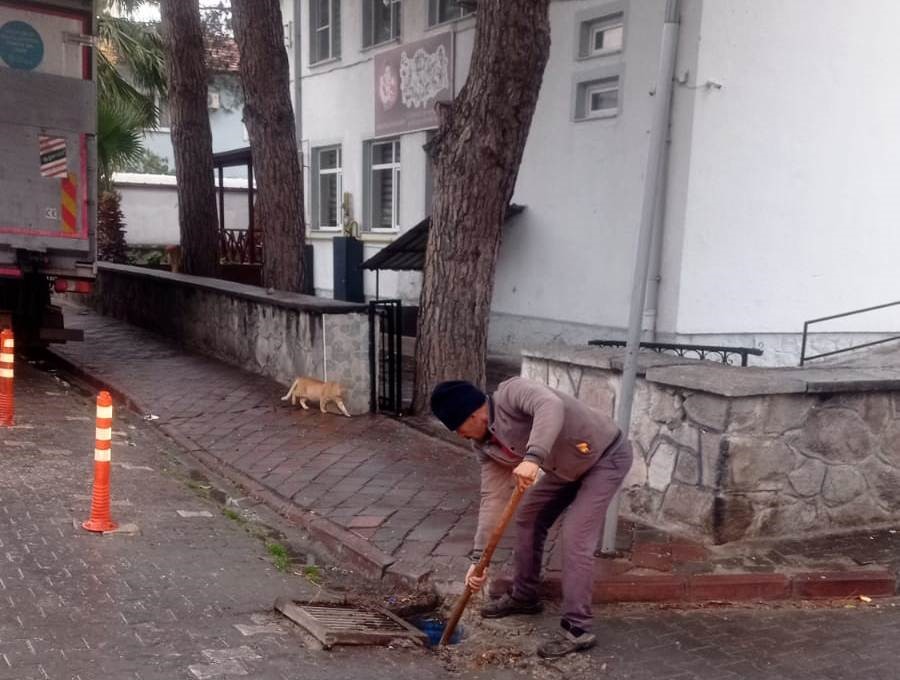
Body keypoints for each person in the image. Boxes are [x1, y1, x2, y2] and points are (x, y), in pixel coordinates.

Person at [430, 377, 632, 659]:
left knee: (575, 536)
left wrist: (533, 458)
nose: (459, 435)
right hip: (564, 470)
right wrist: (478, 561)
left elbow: (550, 405)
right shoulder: (485, 447)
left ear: (473, 413)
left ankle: (578, 628)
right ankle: (525, 596)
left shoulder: (512, 393)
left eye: (458, 427)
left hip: (605, 457)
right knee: (528, 518)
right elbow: (493, 499)